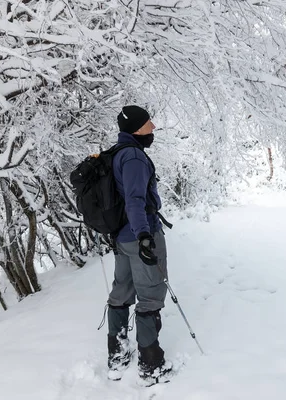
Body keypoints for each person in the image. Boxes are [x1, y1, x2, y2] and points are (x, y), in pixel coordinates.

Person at [106, 105, 170, 381]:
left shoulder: (118, 153)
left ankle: (118, 354)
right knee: (151, 294)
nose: (153, 127)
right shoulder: (133, 157)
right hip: (139, 235)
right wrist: (145, 236)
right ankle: (151, 363)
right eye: (147, 123)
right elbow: (134, 199)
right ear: (135, 128)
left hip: (122, 236)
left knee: (122, 291)